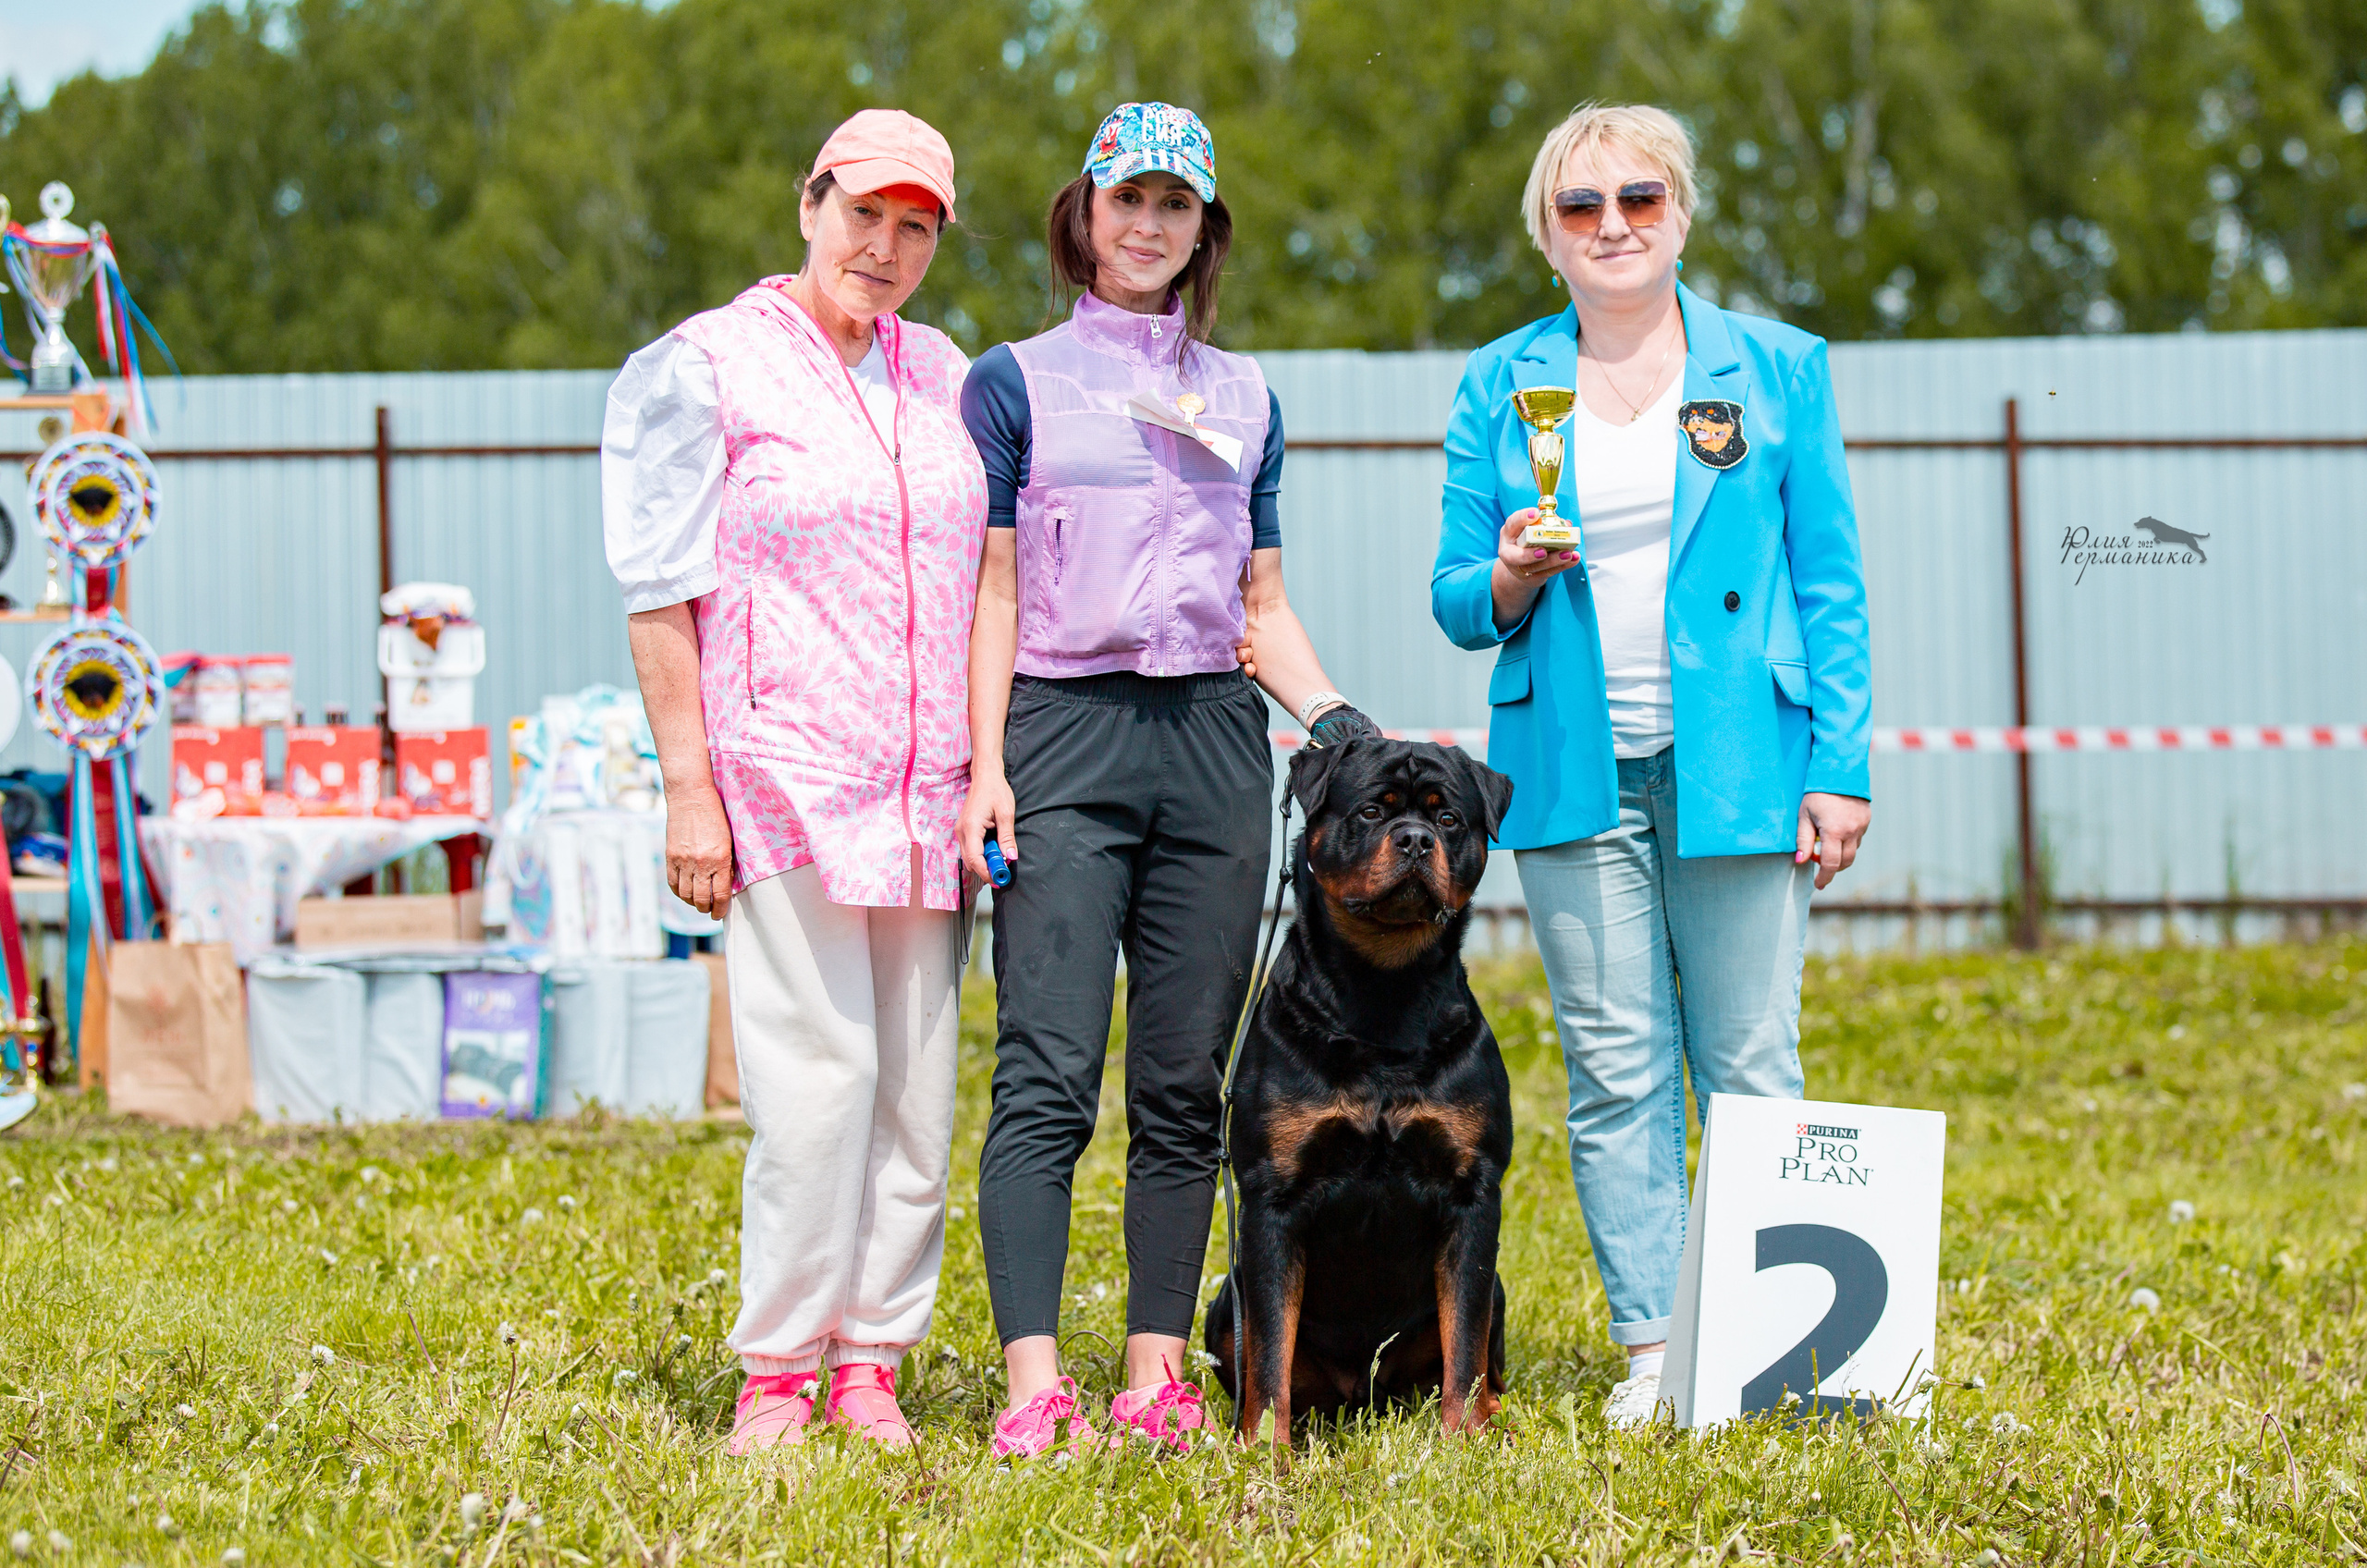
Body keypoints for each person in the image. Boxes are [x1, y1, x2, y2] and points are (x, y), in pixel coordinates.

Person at [1429, 103, 1872, 1427]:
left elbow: (1831, 582)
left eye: (1639, 198)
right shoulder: (1497, 382)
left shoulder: (1779, 368)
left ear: (1681, 215)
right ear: (1547, 235)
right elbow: (1456, 600)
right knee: (1619, 1069)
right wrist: (1506, 571)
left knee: (1752, 1062)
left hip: (1742, 760)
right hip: (1571, 770)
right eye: (1582, 206)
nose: (1613, 224)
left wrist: (1838, 766)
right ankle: (1654, 1353)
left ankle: (1781, 1352)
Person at [958, 101, 1375, 1458]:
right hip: (1062, 741)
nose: (1146, 225)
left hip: (1211, 751)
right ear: (1083, 210)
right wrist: (984, 770)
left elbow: (1262, 604)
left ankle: (1152, 1378)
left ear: (1206, 229)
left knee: (1185, 1083)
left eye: (1174, 206)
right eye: (1125, 199)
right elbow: (994, 591)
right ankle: (1033, 1387)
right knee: (1048, 1073)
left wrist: (1337, 721)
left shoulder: (1247, 392)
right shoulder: (1011, 381)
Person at [601, 108, 984, 1453]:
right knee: (814, 1081)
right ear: (808, 202)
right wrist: (687, 790)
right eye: (862, 214)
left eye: (915, 226)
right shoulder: (703, 366)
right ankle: (779, 1367)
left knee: (916, 1088)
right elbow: (660, 592)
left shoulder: (942, 370)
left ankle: (873, 1357)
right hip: (782, 773)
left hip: (925, 787)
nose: (882, 248)